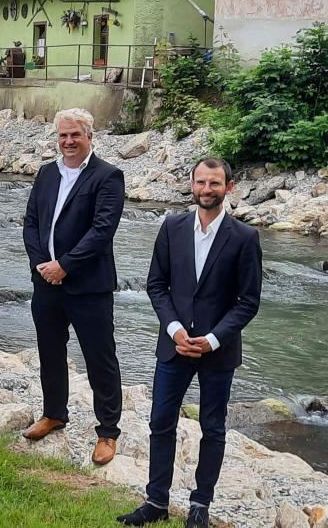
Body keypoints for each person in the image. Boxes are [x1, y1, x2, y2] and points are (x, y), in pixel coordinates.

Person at [117, 158, 262, 528]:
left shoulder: (245, 237)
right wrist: (174, 329)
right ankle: (156, 501)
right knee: (160, 422)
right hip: (174, 345)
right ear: (192, 185)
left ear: (229, 188)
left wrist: (212, 339)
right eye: (200, 182)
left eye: (215, 183)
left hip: (218, 350)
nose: (206, 190)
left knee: (212, 428)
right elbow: (156, 285)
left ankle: (200, 506)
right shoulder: (172, 227)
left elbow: (248, 302)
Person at [21, 108, 124, 466]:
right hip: (46, 282)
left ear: (89, 136)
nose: (68, 142)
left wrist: (65, 265)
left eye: (75, 135)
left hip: (88, 286)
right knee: (50, 352)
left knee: (100, 359)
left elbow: (102, 230)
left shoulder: (108, 176)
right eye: (63, 136)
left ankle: (108, 431)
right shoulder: (47, 173)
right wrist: (42, 265)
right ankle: (54, 413)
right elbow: (31, 222)